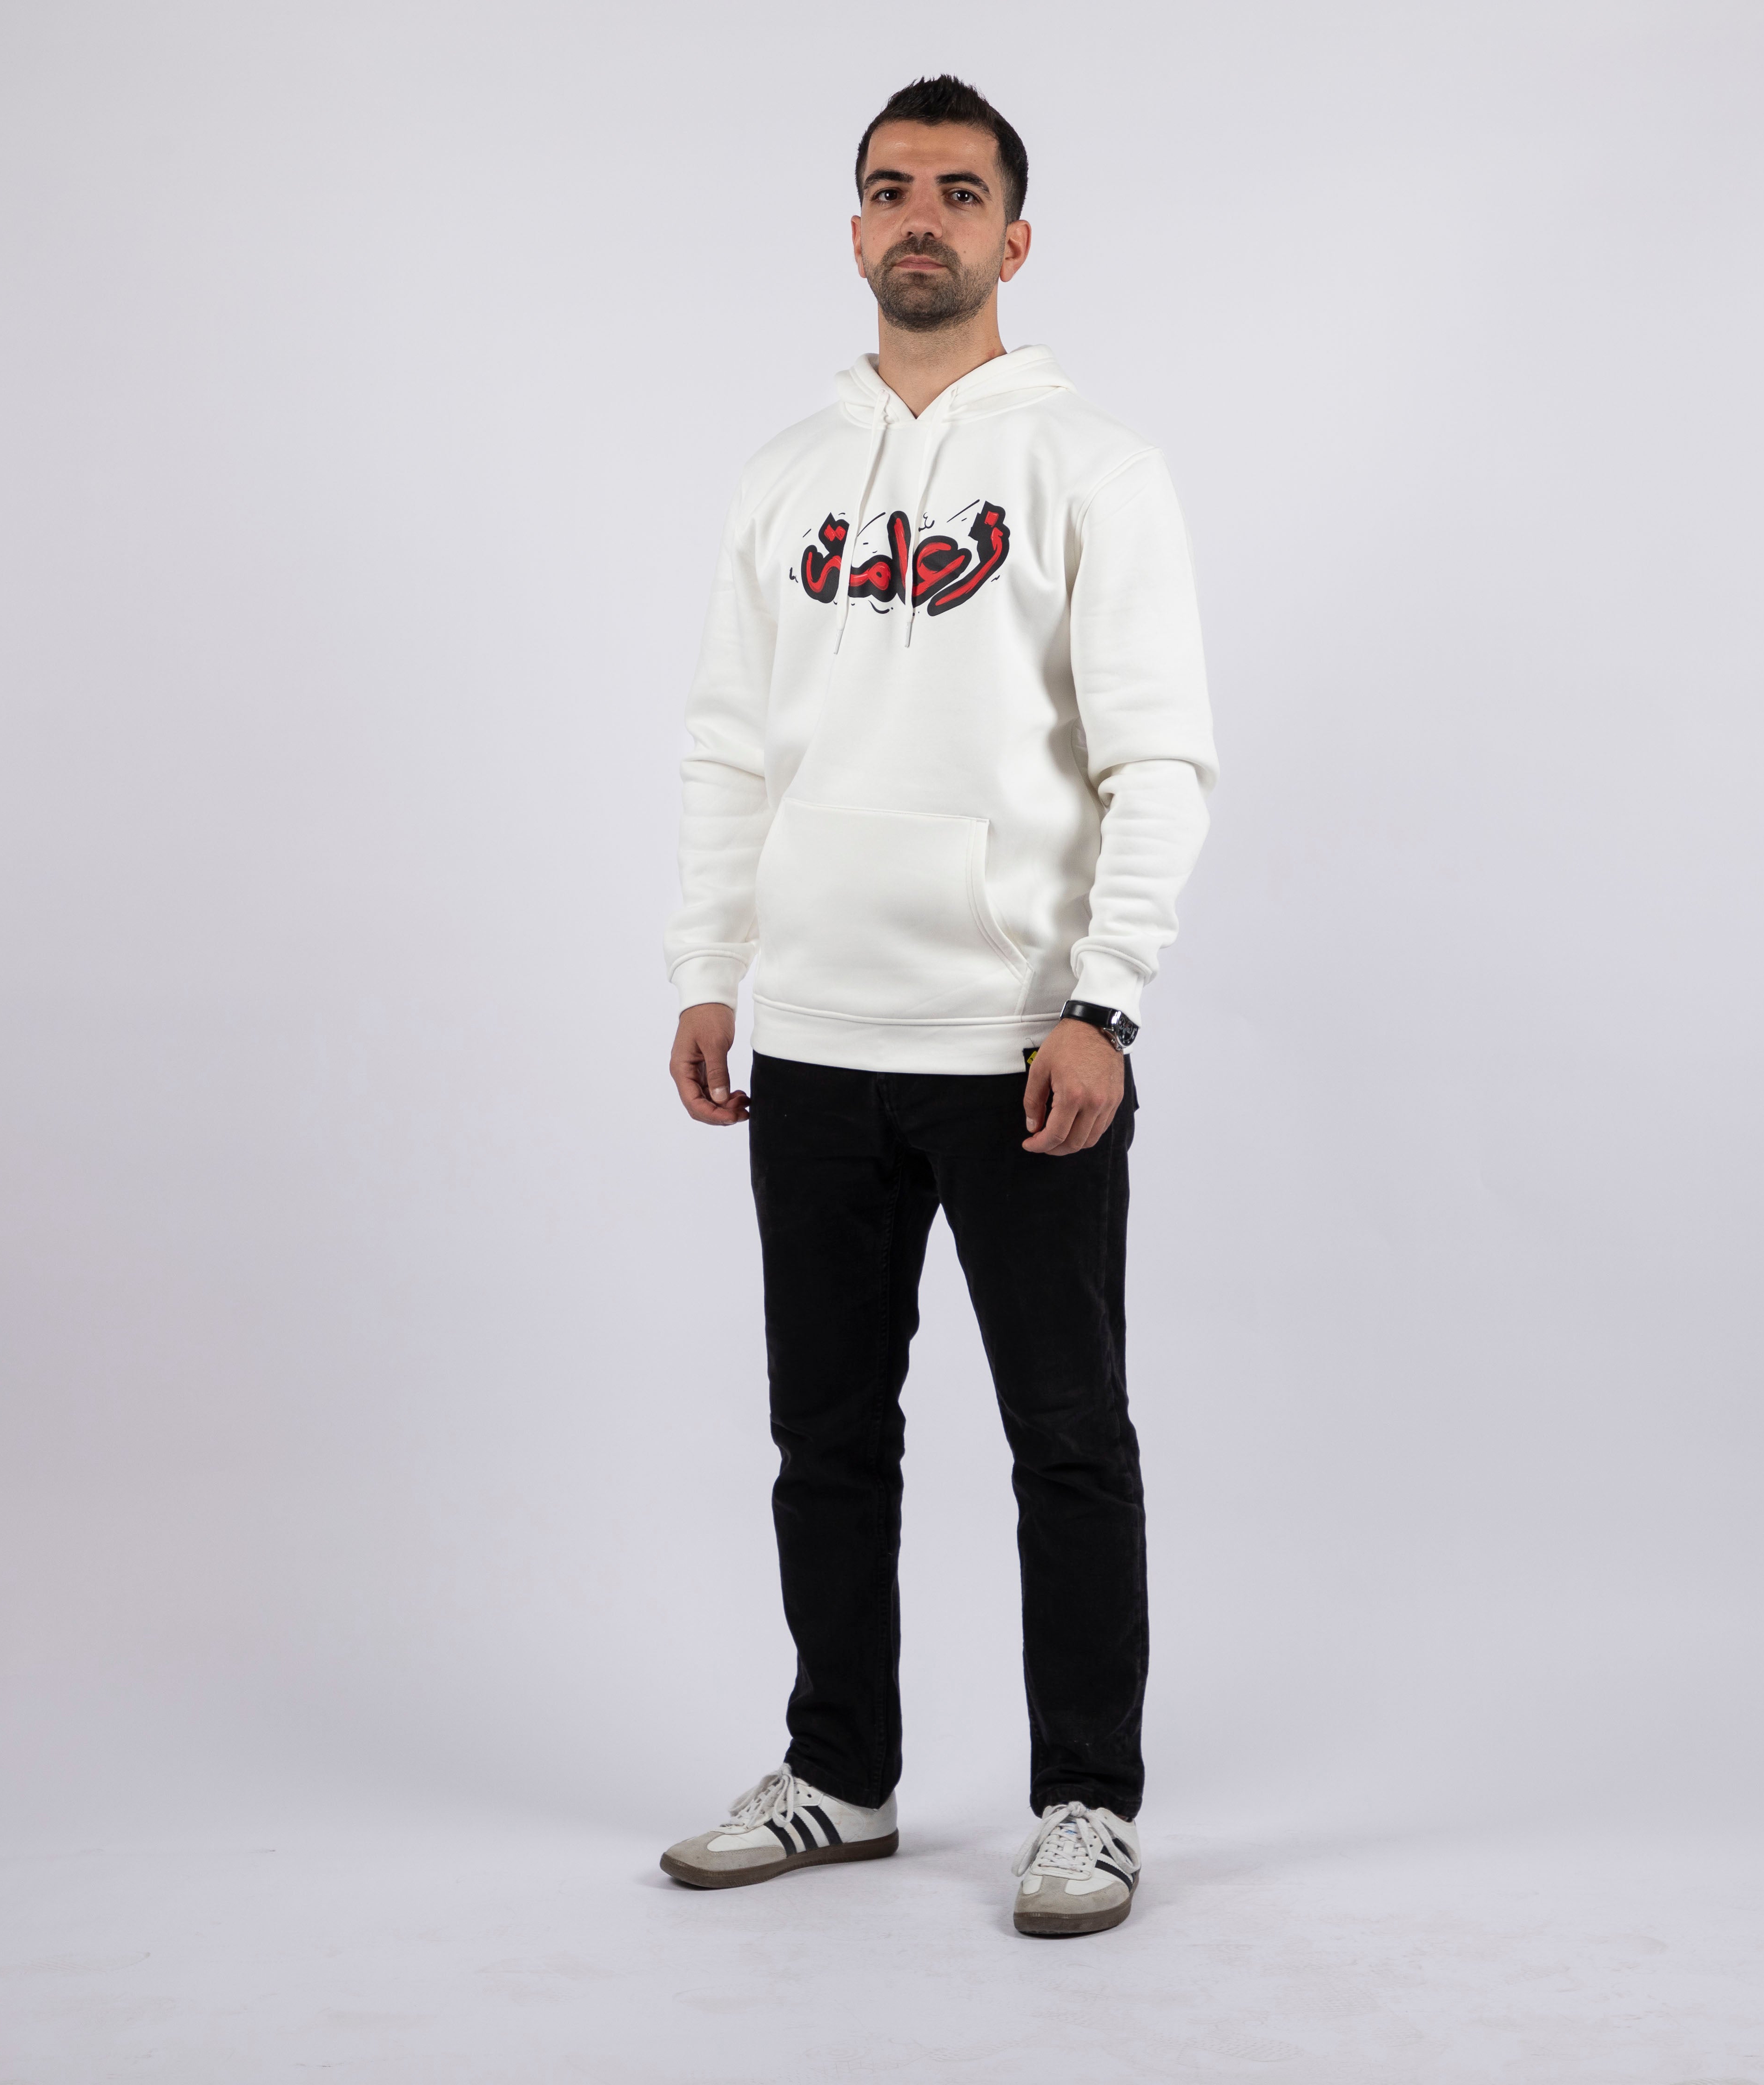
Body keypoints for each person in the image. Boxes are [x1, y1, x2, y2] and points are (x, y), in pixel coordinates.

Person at [657, 74, 1216, 1937]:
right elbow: (729, 746)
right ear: (853, 230)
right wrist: (710, 969)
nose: (922, 218)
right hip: (814, 1040)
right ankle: (841, 1774)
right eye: (891, 189)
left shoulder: (1094, 470)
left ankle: (1088, 1803)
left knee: (1068, 1439)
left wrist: (1103, 1003)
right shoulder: (782, 475)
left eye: (959, 193)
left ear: (1014, 239)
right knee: (827, 1438)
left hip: (1015, 1046)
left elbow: (1158, 760)